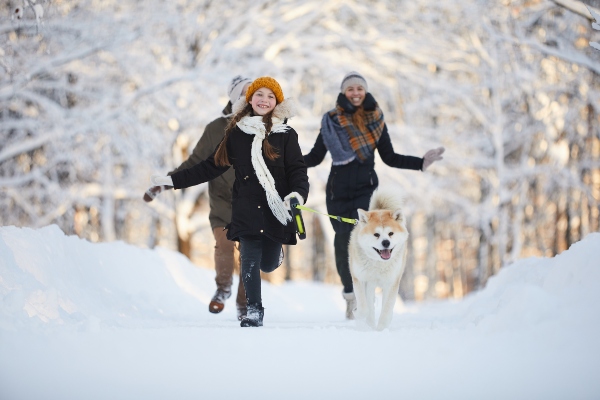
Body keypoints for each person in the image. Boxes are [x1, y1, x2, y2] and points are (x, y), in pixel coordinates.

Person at [150, 77, 309, 327]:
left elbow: (298, 171)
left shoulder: (286, 135)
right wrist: (173, 181)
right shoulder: (237, 133)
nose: (264, 100)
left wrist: (297, 194)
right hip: (245, 208)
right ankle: (253, 310)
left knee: (266, 264)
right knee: (249, 258)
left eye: (270, 96)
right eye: (259, 95)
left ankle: (274, 252)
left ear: (277, 102)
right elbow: (210, 166)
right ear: (249, 100)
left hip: (275, 209)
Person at [303, 71, 444, 319]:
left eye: (359, 88)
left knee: (363, 241)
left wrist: (420, 162)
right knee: (342, 243)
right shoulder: (331, 121)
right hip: (337, 193)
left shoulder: (376, 119)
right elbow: (315, 157)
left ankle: (367, 294)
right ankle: (350, 295)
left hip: (366, 193)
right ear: (343, 92)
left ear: (365, 91)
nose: (355, 93)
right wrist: (285, 164)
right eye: (350, 89)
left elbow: (389, 157)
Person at [143, 76, 252, 320]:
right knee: (224, 245)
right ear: (234, 97)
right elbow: (196, 162)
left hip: (252, 203)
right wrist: (166, 182)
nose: (250, 95)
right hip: (223, 200)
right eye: (244, 91)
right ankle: (223, 288)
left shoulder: (265, 125)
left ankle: (246, 305)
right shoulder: (216, 128)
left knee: (250, 253)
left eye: (252, 91)